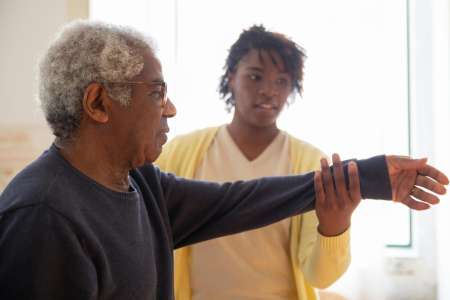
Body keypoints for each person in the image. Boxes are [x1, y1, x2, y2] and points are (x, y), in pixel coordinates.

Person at [0, 21, 447, 300]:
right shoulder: (43, 216)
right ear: (98, 103)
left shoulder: (142, 182)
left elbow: (239, 201)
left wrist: (368, 178)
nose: (170, 108)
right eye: (157, 92)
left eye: (281, 81)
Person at [155, 25, 447, 300]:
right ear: (232, 76)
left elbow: (320, 277)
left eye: (281, 81)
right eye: (255, 76)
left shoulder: (310, 162)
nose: (269, 90)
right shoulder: (181, 153)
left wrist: (335, 226)